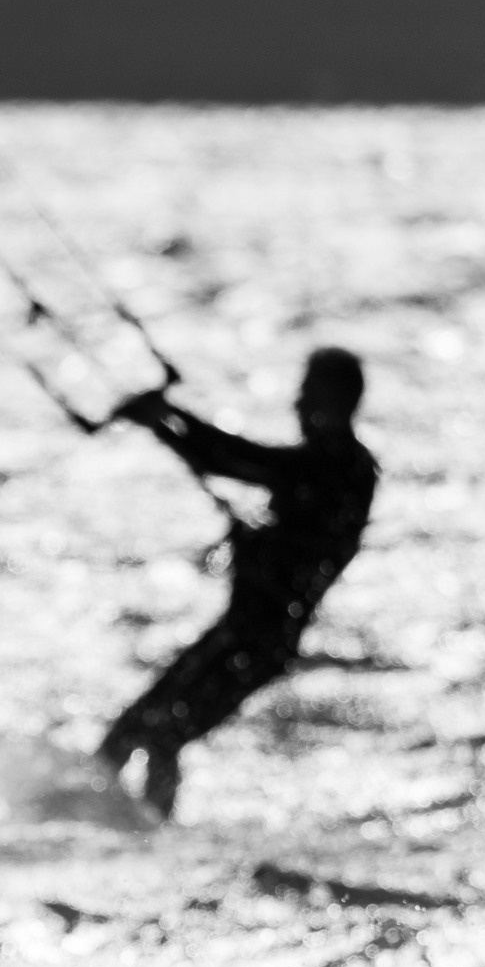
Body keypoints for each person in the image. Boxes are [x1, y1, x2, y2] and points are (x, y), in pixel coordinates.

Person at [95, 348, 378, 819]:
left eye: (310, 394)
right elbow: (232, 462)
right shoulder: (322, 467)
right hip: (240, 634)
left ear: (342, 402)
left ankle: (143, 837)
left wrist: (164, 416)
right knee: (131, 733)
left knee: (160, 736)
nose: (298, 403)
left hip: (260, 643)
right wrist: (163, 422)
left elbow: (234, 458)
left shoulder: (341, 469)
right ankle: (113, 828)